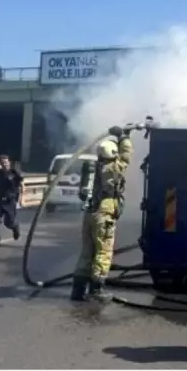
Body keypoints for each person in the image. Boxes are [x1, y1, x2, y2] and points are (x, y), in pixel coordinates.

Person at [70, 126, 133, 303]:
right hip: (104, 213)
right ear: (113, 152)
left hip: (90, 212)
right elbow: (126, 156)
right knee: (103, 251)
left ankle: (78, 290)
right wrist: (124, 138)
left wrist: (122, 137)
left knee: (87, 252)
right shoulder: (113, 167)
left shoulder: (95, 167)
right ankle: (97, 289)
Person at [0, 154, 25, 249]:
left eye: (6, 162)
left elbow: (22, 185)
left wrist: (21, 199)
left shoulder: (14, 172)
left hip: (10, 201)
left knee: (9, 223)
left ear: (9, 162)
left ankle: (15, 228)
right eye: (2, 162)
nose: (4, 164)